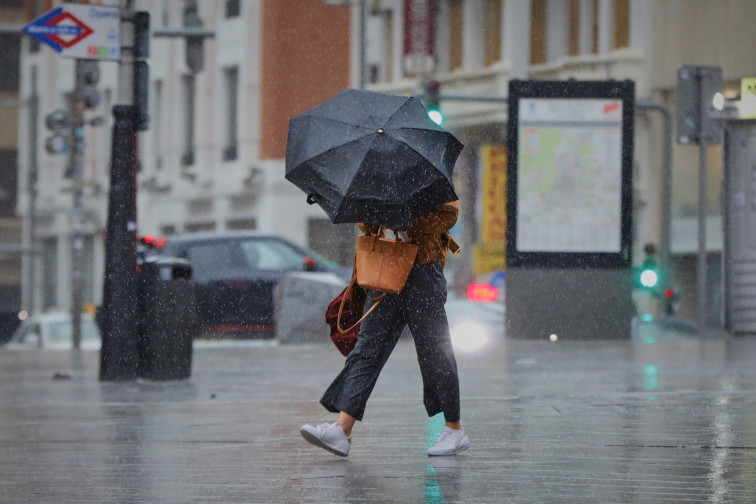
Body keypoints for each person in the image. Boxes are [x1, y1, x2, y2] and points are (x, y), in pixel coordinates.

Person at [300, 200, 469, 457]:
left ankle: (454, 429)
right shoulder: (378, 176)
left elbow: (448, 216)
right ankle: (342, 430)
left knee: (435, 352)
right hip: (384, 267)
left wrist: (405, 220)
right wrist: (375, 214)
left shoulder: (429, 174)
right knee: (368, 349)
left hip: (422, 271)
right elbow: (365, 224)